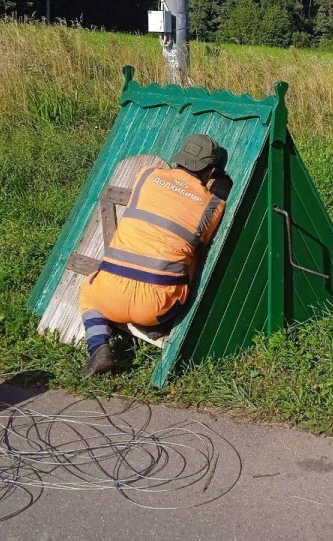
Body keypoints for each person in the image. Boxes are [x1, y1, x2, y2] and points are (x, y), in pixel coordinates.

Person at [78, 134, 227, 377]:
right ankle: (157, 325)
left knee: (88, 289)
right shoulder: (213, 206)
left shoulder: (147, 174)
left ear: (179, 160)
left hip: (109, 297)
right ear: (210, 172)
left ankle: (98, 347)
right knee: (192, 255)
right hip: (156, 308)